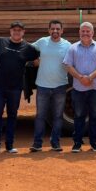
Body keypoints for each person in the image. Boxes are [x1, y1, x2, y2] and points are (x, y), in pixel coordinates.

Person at [0, 21, 40, 154]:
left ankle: (9, 145)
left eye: (19, 30)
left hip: (15, 87)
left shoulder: (28, 48)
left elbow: (37, 60)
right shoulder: (0, 42)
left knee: (12, 115)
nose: (16, 32)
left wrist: (28, 65)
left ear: (23, 32)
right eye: (14, 30)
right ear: (10, 31)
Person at [63, 22, 96, 152]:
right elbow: (68, 66)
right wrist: (80, 77)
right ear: (79, 32)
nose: (85, 33)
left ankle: (94, 142)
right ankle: (77, 142)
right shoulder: (73, 48)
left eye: (88, 31)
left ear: (92, 33)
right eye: (83, 31)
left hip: (95, 89)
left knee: (95, 115)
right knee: (79, 115)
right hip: (79, 88)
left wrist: (90, 77)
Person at [30, 20, 71, 152]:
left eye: (58, 29)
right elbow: (28, 50)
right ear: (48, 30)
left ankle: (55, 143)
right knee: (40, 116)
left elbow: (73, 61)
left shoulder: (67, 45)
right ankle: (37, 143)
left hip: (60, 85)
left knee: (58, 116)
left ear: (62, 30)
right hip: (43, 85)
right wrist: (35, 60)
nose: (55, 31)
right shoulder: (42, 42)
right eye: (52, 28)